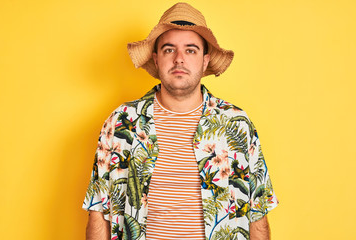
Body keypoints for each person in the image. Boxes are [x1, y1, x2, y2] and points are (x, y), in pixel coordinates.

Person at [82, 2, 278, 240]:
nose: (179, 59)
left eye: (191, 50)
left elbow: (257, 213)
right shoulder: (121, 122)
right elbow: (98, 211)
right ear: (156, 59)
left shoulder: (236, 124)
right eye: (169, 49)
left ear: (205, 60)